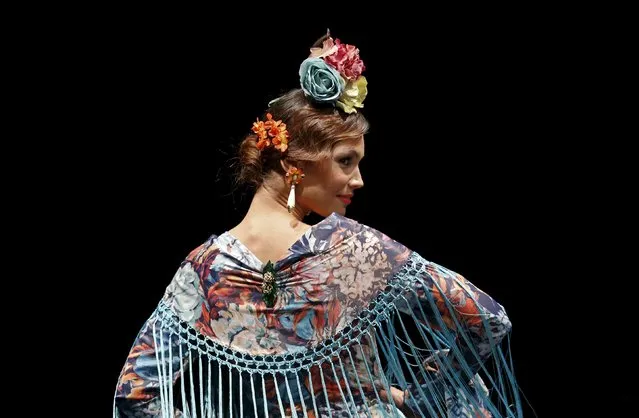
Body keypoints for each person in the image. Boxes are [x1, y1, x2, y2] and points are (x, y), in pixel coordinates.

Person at [113, 31, 523, 417]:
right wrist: (419, 398)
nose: (359, 180)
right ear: (294, 163)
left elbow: (134, 393)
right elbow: (487, 320)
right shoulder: (355, 251)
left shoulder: (204, 268)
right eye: (345, 161)